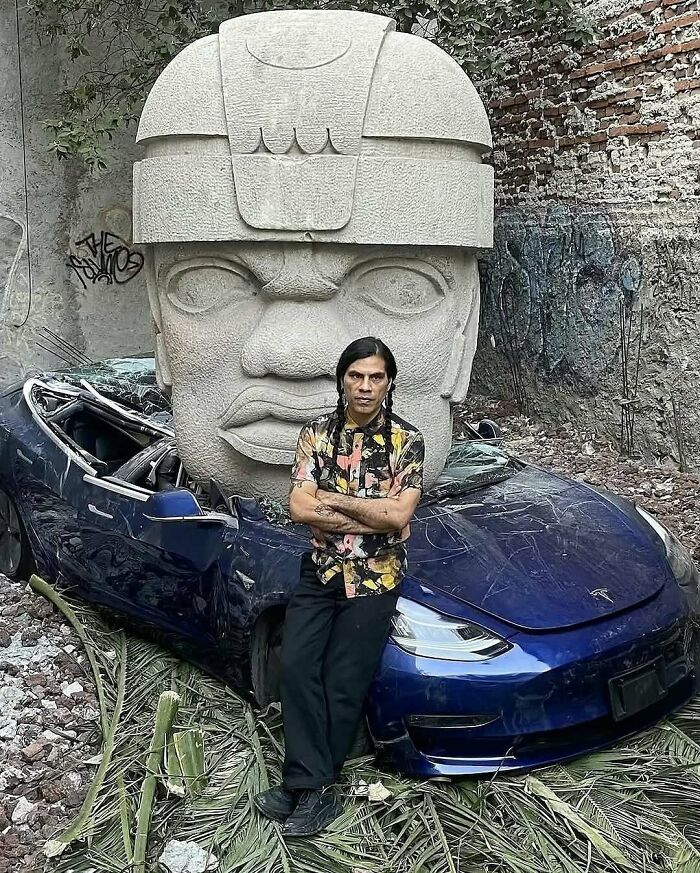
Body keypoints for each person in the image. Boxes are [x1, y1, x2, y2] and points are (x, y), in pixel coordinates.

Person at [253, 336, 424, 836]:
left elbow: (399, 515)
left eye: (376, 377)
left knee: (344, 682)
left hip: (377, 577)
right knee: (298, 664)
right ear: (341, 379)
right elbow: (299, 507)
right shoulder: (315, 434)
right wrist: (371, 513)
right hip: (322, 569)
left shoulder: (407, 442)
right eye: (356, 375)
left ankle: (309, 789)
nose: (366, 386)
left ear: (389, 382)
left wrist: (334, 501)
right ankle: (310, 783)